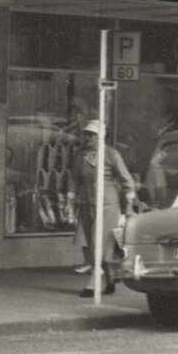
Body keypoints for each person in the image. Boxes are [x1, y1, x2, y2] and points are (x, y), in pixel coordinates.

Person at [74, 119, 136, 297]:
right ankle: (110, 278)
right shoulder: (80, 155)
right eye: (85, 134)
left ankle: (93, 283)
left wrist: (130, 203)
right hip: (86, 203)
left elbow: (126, 179)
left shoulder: (111, 154)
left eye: (91, 135)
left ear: (100, 137)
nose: (87, 138)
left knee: (97, 242)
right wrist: (71, 197)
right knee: (95, 243)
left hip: (107, 205)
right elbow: (74, 177)